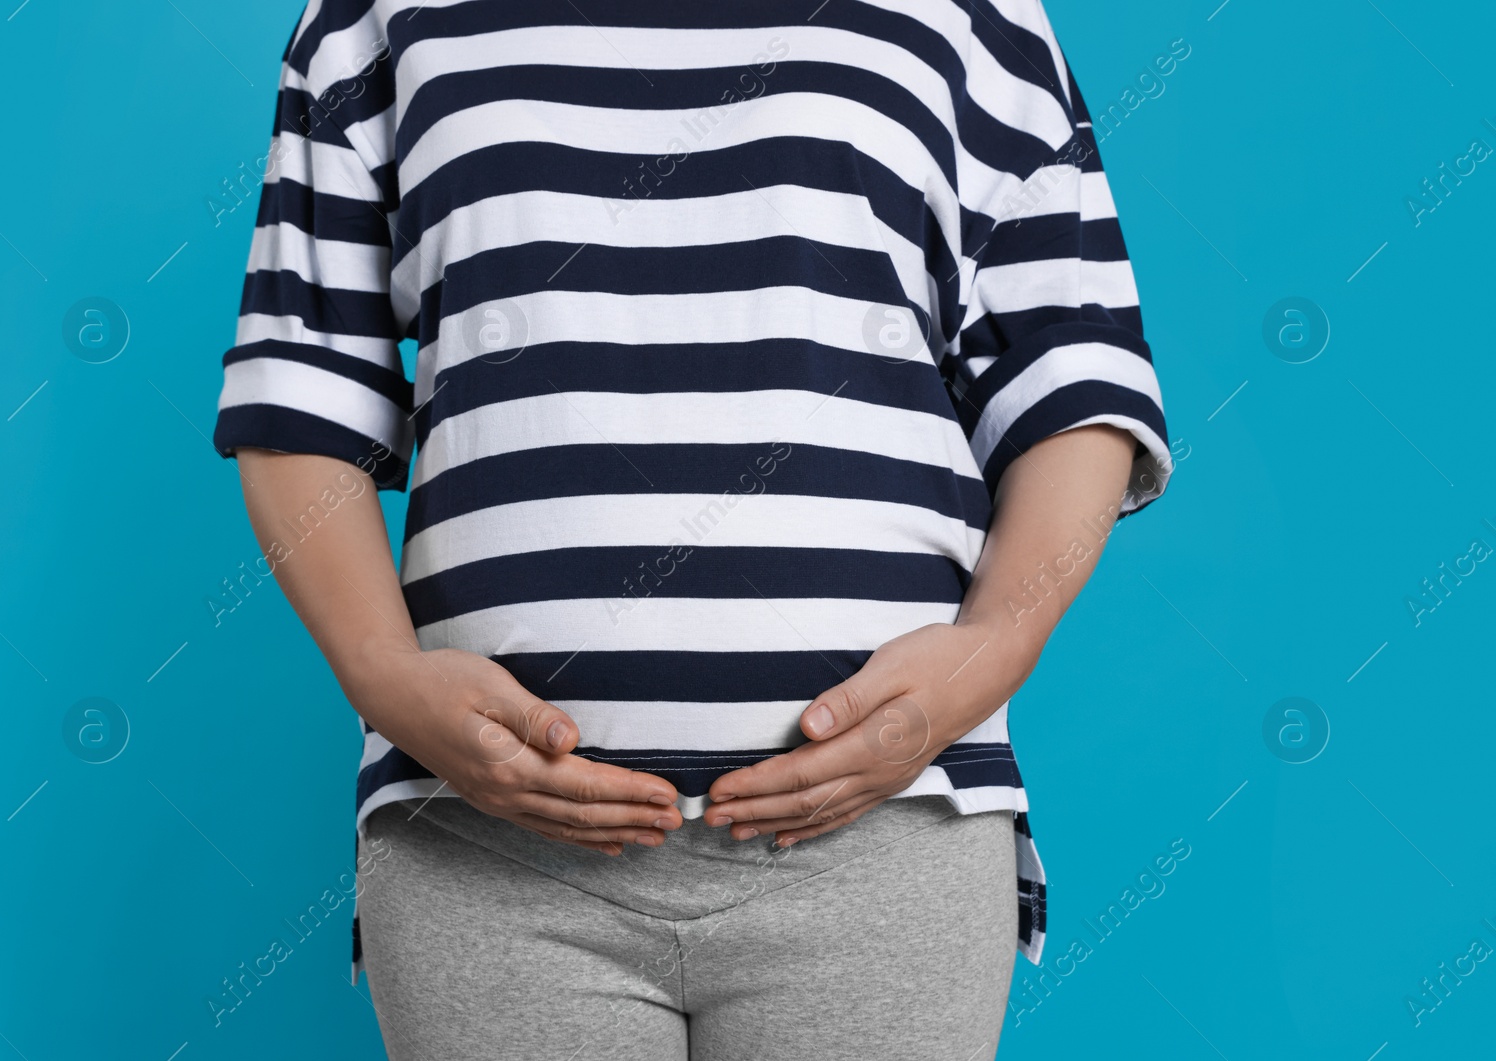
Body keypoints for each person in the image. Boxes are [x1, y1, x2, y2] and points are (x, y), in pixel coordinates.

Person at [212, 0, 1171, 1057]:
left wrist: (990, 651)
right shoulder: (373, 14)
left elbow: (1073, 383)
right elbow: (301, 392)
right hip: (486, 858)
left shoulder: (972, 14)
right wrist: (381, 672)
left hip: (884, 836)